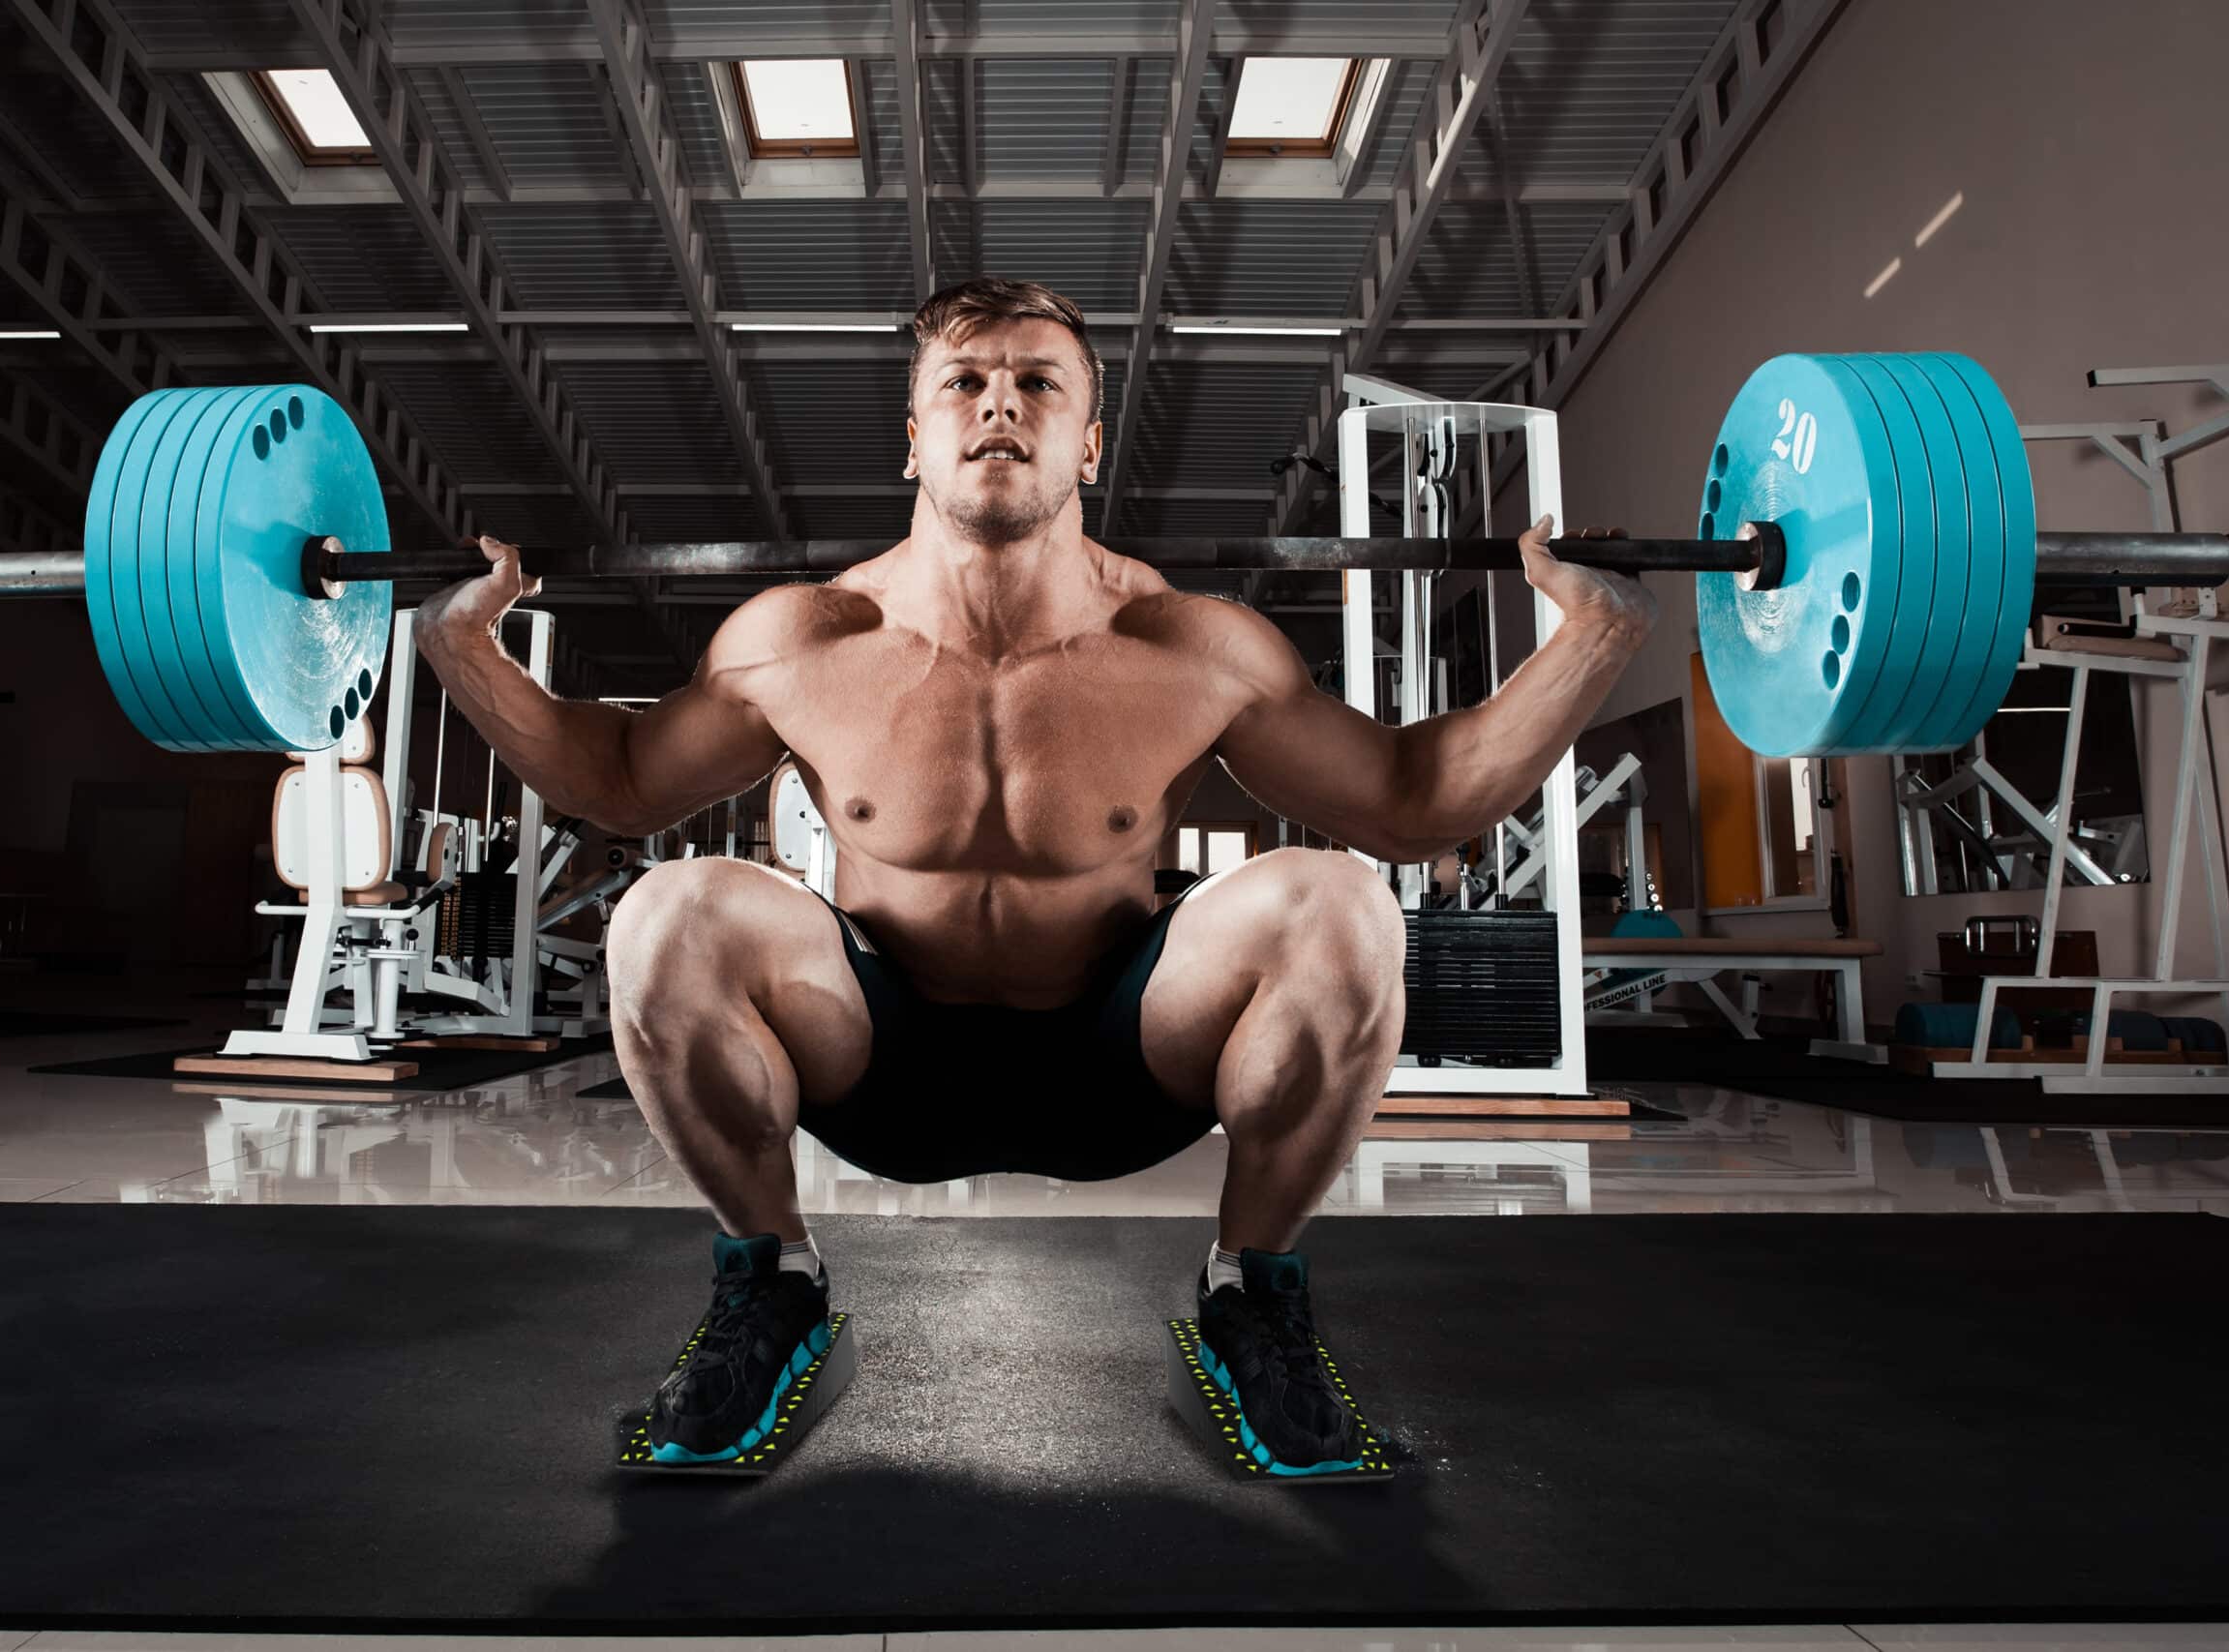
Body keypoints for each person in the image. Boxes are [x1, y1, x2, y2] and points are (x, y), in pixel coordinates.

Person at [414, 278, 1655, 1470]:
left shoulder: (1187, 644)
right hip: (879, 1064)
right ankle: (769, 1284)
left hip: (1119, 1063)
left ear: (1090, 444)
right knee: (666, 914)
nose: (997, 406)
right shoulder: (801, 640)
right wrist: (464, 649)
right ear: (914, 441)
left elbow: (1407, 807)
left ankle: (1253, 1297)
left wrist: (1593, 635)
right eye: (963, 382)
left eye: (1035, 383)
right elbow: (622, 780)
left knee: (1341, 903)